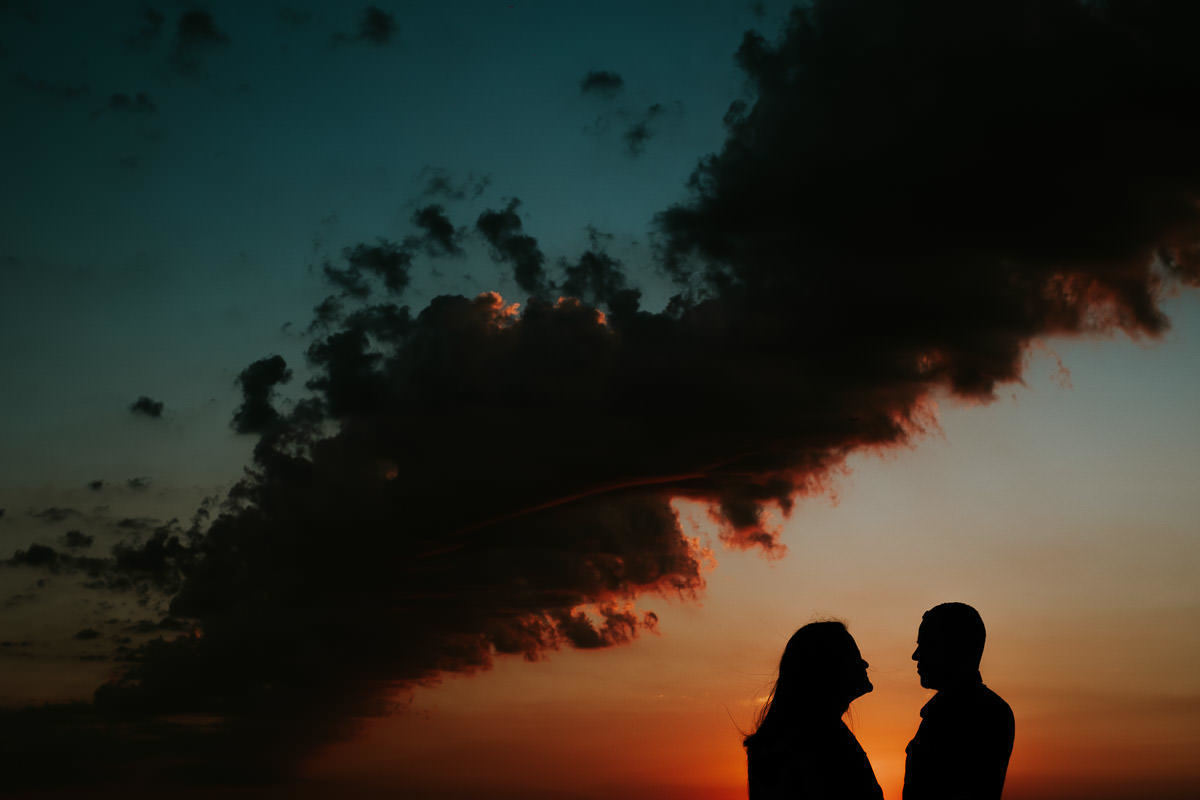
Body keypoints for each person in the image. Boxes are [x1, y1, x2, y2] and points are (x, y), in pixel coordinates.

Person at [744, 621, 883, 800]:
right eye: (853, 656)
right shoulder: (816, 745)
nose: (865, 663)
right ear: (827, 668)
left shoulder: (804, 738)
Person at [904, 603, 1015, 800]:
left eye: (926, 645)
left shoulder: (978, 715)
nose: (916, 656)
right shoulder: (989, 711)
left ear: (953, 648)